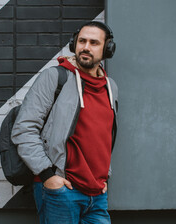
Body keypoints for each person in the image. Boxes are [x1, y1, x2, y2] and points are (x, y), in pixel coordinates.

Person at [11, 21, 118, 224]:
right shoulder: (55, 77)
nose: (85, 47)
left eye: (94, 43)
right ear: (73, 44)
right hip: (62, 189)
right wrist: (48, 176)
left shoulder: (110, 87)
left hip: (97, 193)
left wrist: (106, 176)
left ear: (108, 49)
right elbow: (24, 129)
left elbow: (105, 136)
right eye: (82, 41)